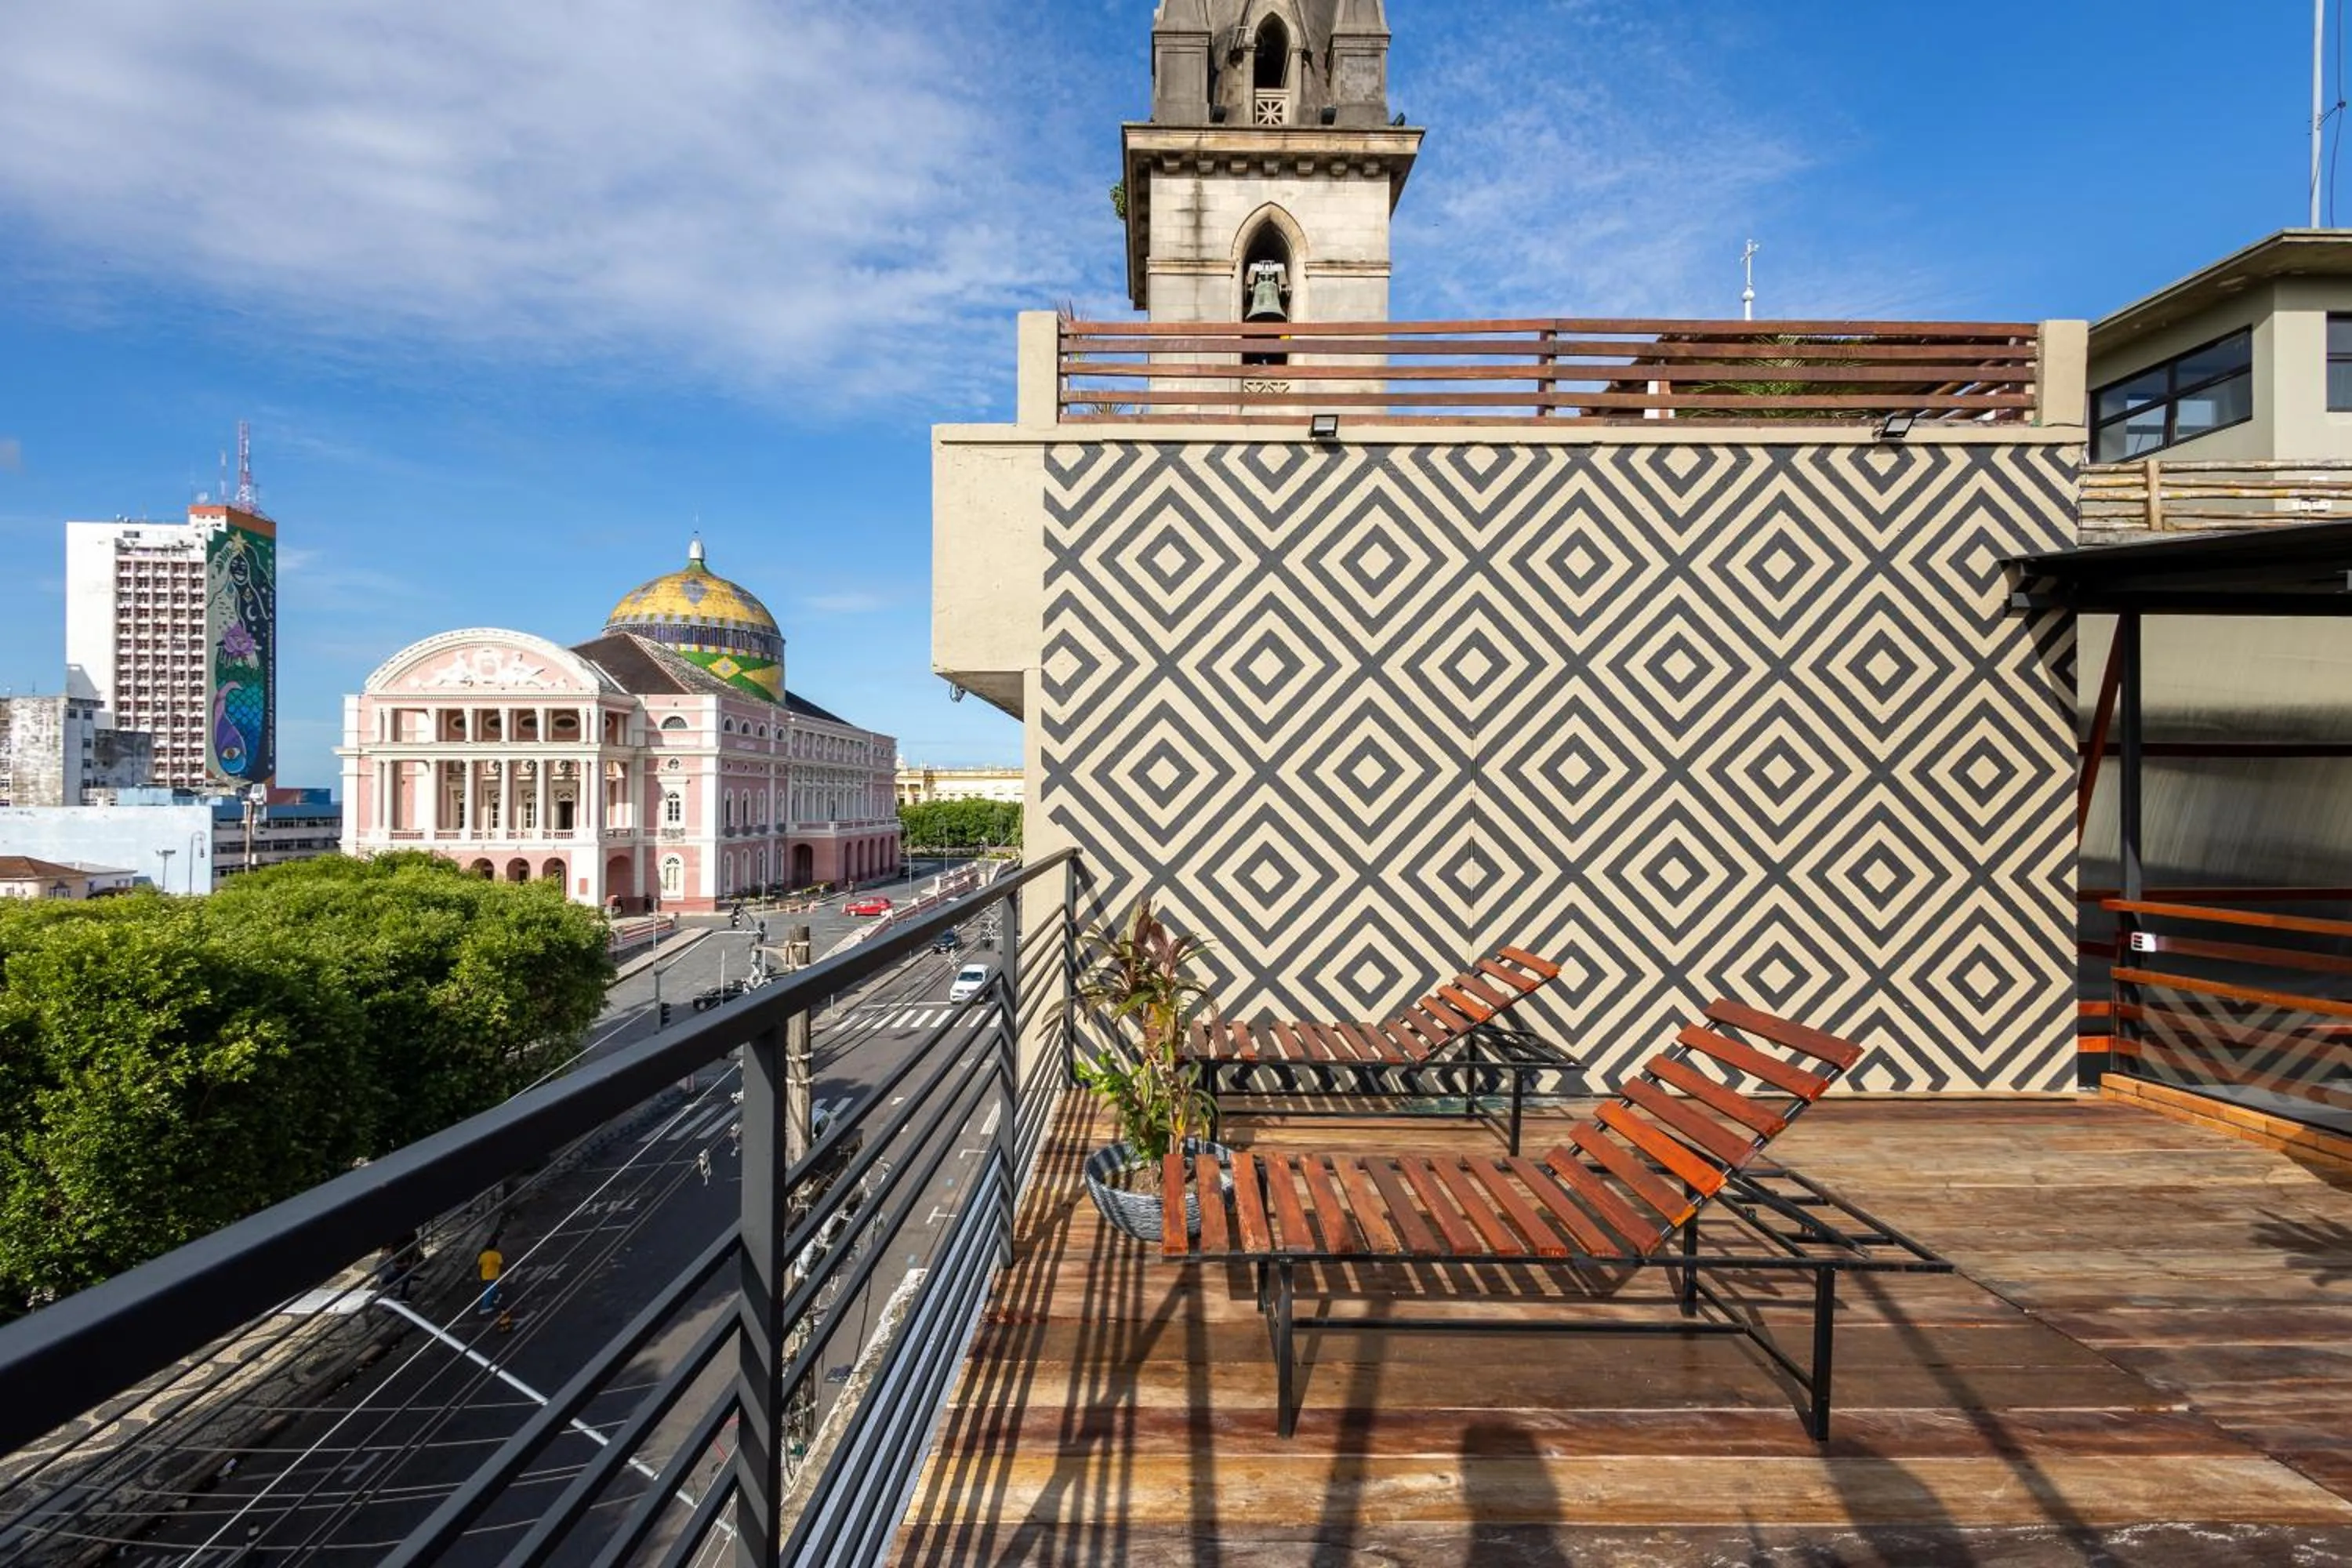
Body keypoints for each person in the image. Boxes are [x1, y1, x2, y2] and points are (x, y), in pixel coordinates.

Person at [476, 1239, 504, 1317]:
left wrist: (478, 1276)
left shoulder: (483, 1255)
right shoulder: (497, 1255)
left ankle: (496, 1296)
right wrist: (502, 1273)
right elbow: (501, 1264)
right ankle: (484, 1308)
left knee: (492, 1287)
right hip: (494, 1275)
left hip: (485, 1275)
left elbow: (479, 1266)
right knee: (489, 1292)